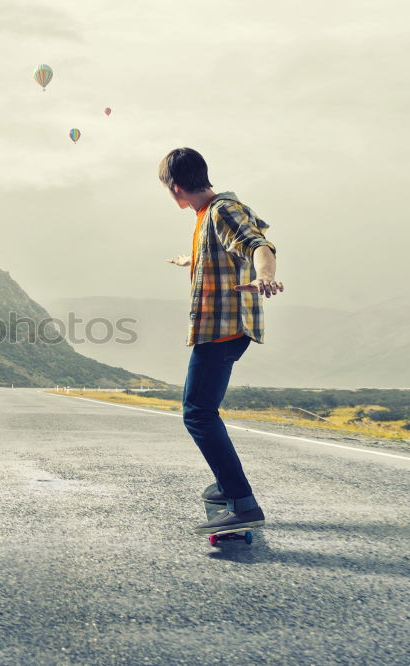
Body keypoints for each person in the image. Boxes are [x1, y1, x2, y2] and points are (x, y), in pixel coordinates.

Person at [158, 147, 284, 535]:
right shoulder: (208, 216)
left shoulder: (222, 210)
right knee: (202, 410)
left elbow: (258, 244)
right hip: (223, 327)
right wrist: (192, 260)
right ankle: (228, 486)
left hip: (222, 328)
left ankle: (242, 502)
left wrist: (265, 274)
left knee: (197, 412)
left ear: (176, 187)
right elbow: (226, 253)